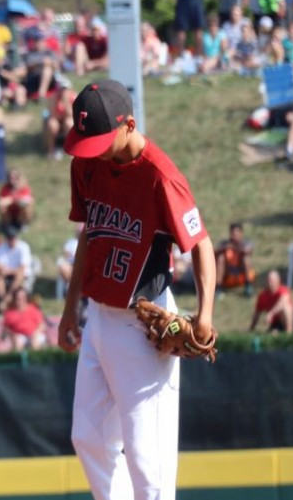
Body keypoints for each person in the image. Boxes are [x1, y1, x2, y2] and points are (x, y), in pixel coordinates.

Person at [57, 79, 216, 500]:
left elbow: (202, 247)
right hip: (98, 319)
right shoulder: (87, 164)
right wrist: (70, 308)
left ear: (130, 124)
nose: (94, 149)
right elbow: (89, 237)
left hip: (144, 326)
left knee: (149, 461)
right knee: (88, 437)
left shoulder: (161, 176)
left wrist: (205, 316)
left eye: (102, 140)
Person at [0, 226, 33, 310]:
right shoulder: (1, 248)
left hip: (19, 273)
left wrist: (9, 271)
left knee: (19, 274)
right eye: (9, 238)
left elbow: (23, 267)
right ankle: (4, 299)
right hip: (7, 273)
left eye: (13, 238)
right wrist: (4, 270)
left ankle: (5, 301)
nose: (11, 240)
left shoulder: (23, 247)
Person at [215, 223, 255, 291]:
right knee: (221, 258)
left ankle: (248, 285)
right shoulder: (225, 244)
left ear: (241, 233)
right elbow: (215, 251)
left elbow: (248, 250)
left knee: (246, 258)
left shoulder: (245, 243)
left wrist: (234, 247)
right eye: (233, 234)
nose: (235, 237)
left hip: (241, 273)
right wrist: (225, 248)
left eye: (237, 234)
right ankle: (218, 287)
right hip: (228, 274)